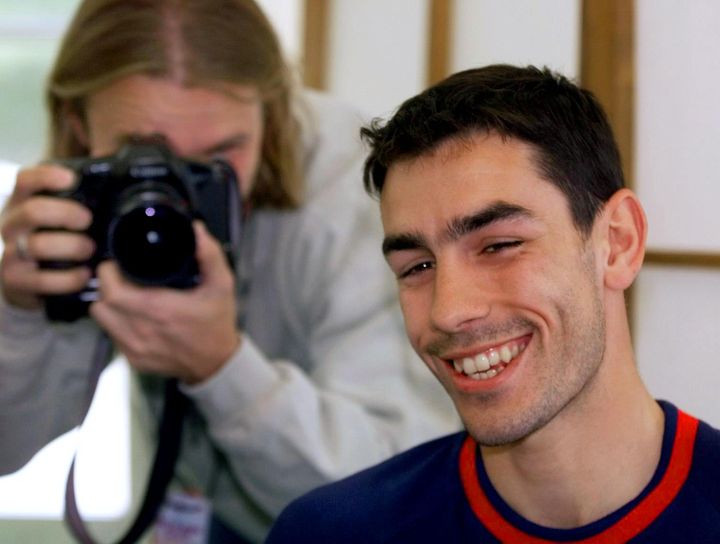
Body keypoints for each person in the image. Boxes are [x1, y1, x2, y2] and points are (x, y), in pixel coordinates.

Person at [0, 0, 459, 542]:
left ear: (272, 111)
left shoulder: (354, 192)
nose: (181, 196)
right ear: (79, 129)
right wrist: (20, 316)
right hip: (200, 499)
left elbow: (394, 495)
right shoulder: (91, 201)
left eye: (222, 154)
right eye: (145, 155)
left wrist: (221, 368)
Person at [266, 64, 720, 543]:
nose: (448, 311)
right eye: (417, 267)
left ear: (618, 242)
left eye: (499, 245)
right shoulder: (331, 533)